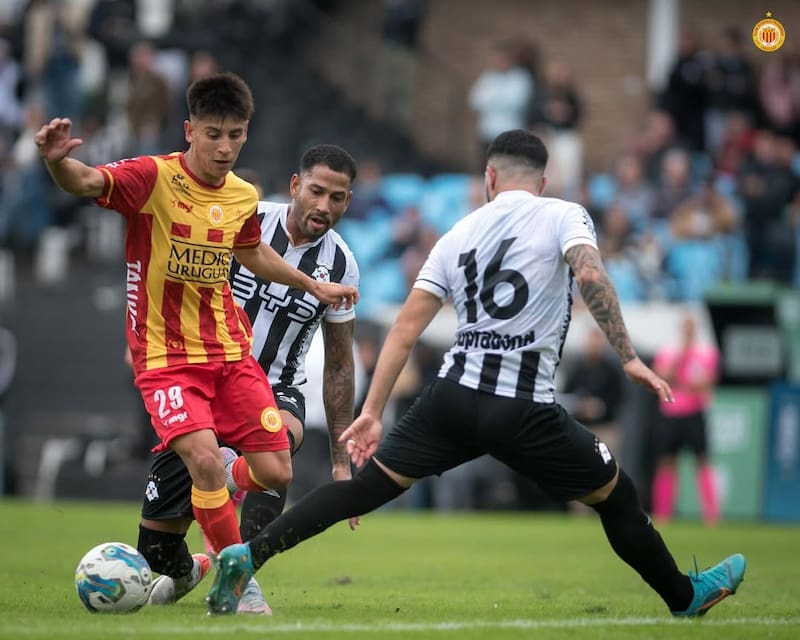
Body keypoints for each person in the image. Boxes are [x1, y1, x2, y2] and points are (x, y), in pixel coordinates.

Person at [206, 129, 746, 617]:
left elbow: (404, 330)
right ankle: (684, 596)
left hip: (453, 399)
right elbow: (590, 272)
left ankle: (247, 555)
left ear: (489, 177)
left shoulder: (459, 233)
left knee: (360, 490)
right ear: (543, 179)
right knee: (617, 496)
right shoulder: (564, 214)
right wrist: (627, 355)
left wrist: (372, 413)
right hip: (524, 407)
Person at [33, 72, 358, 597]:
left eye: (234, 135)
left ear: (246, 134)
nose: (224, 147)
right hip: (166, 358)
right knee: (162, 541)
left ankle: (233, 571)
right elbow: (89, 181)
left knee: (276, 470)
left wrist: (308, 284)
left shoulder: (242, 196)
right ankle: (226, 580)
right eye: (213, 134)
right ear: (190, 130)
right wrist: (55, 162)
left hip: (231, 357)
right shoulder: (153, 177)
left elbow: (250, 250)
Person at [137, 144, 362, 615]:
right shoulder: (244, 219)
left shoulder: (343, 266)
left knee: (278, 444)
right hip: (203, 376)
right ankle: (193, 568)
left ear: (348, 202)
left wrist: (341, 462)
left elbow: (340, 365)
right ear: (295, 185)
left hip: (278, 385)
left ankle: (241, 577)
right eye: (317, 191)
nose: (324, 206)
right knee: (155, 551)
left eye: (337, 198)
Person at [651, 312, 720, 526]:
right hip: (671, 413)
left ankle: (711, 515)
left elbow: (705, 382)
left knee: (702, 461)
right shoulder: (669, 351)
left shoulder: (707, 353)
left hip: (694, 413)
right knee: (667, 462)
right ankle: (663, 514)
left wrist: (681, 381)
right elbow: (660, 377)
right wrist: (681, 360)